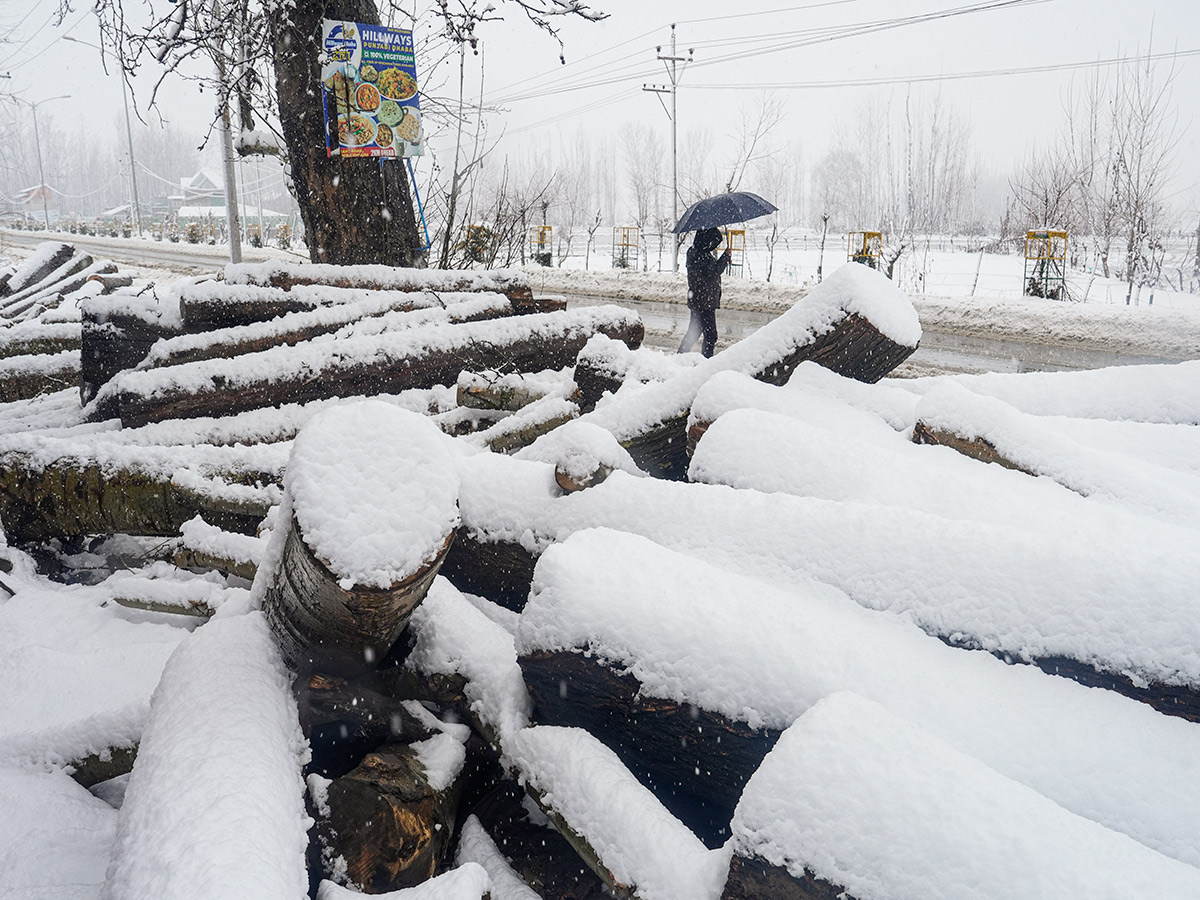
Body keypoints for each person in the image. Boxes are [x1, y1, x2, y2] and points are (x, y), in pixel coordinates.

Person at [678, 227, 731, 357]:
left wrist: (724, 258)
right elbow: (713, 272)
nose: (713, 246)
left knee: (695, 332)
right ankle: (706, 363)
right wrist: (725, 256)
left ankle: (679, 356)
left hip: (700, 299)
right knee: (711, 335)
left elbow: (711, 271)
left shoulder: (697, 252)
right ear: (706, 240)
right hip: (704, 301)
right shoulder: (700, 254)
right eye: (713, 242)